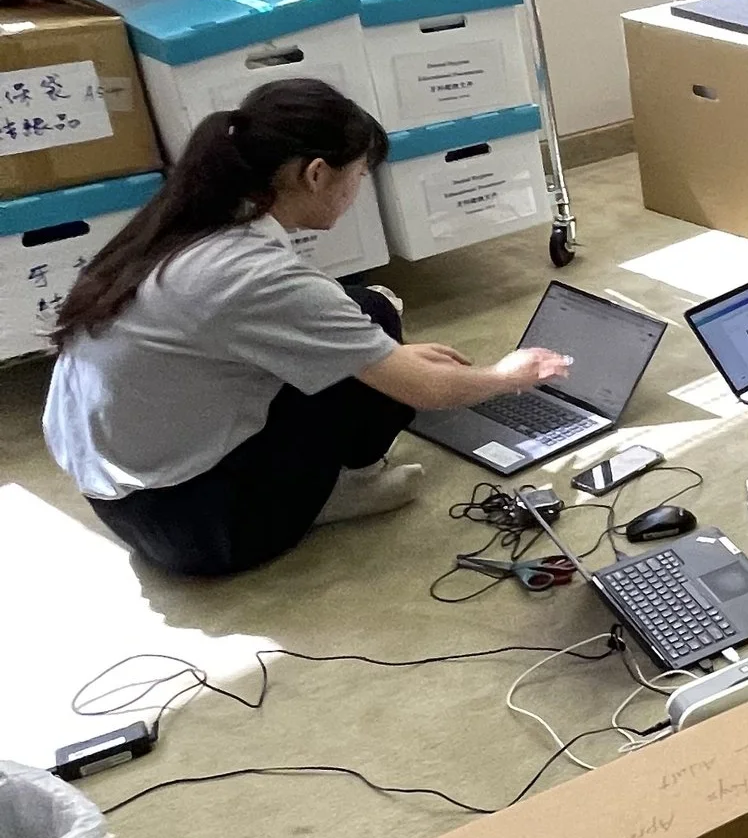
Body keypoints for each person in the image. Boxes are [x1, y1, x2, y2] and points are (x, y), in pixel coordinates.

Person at [43, 80, 575, 582]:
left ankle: (312, 476)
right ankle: (339, 491)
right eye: (360, 174)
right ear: (317, 174)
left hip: (123, 496)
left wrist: (386, 354)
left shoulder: (181, 223)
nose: (359, 189)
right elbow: (427, 391)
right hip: (201, 529)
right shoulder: (253, 275)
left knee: (362, 310)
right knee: (375, 321)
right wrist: (508, 373)